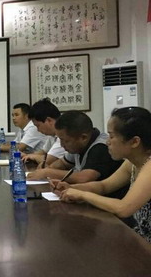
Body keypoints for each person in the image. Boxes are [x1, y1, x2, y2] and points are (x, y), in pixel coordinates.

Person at [55, 107, 151, 242]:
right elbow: (103, 186)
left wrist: (83, 195)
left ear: (135, 142)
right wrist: (72, 188)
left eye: (112, 136)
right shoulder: (132, 163)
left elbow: (124, 208)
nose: (107, 142)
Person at [27, 111, 123, 185]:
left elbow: (84, 178)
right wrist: (48, 168)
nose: (62, 145)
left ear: (83, 137)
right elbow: (63, 163)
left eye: (65, 141)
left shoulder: (101, 147)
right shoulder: (78, 145)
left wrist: (48, 172)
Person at [21, 98, 65, 168]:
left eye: (38, 125)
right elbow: (43, 152)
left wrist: (33, 156)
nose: (38, 130)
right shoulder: (52, 135)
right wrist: (28, 156)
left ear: (49, 120)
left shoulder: (64, 134)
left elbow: (48, 160)